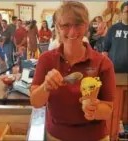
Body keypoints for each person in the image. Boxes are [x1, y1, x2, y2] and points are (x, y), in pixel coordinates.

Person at [30, 2, 116, 141]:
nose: (72, 32)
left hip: (94, 137)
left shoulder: (103, 63)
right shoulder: (46, 59)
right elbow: (35, 102)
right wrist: (45, 87)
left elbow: (108, 110)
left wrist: (94, 110)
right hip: (56, 136)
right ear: (58, 27)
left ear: (86, 25)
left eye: (78, 24)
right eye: (66, 25)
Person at [103, 1, 128, 73]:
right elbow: (105, 50)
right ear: (121, 13)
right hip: (115, 70)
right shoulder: (113, 28)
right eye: (127, 11)